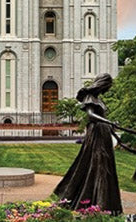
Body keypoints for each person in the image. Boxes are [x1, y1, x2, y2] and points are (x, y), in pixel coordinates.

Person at [52, 73, 123, 214]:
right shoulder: (90, 97)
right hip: (96, 134)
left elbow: (102, 118)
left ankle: (106, 203)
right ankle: (98, 204)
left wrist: (113, 129)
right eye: (107, 86)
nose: (108, 90)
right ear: (102, 84)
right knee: (99, 165)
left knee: (105, 166)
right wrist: (108, 122)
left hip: (104, 133)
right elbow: (90, 116)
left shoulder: (99, 99)